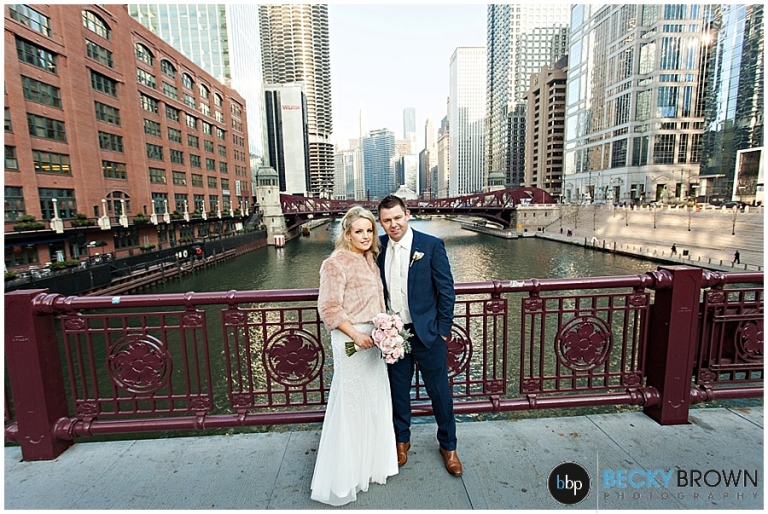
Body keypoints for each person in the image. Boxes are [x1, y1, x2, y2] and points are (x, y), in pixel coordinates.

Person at [311, 206, 398, 506]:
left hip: (374, 340)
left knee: (373, 398)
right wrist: (356, 335)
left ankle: (370, 466)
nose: (365, 236)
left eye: (369, 230)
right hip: (351, 340)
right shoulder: (334, 263)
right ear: (347, 233)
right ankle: (347, 473)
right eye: (358, 231)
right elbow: (329, 308)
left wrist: (386, 330)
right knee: (351, 402)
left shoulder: (370, 259)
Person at [377, 195, 462, 477]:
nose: (393, 224)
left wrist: (443, 330)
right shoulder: (378, 247)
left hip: (428, 334)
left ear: (407, 215)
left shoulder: (431, 245)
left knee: (440, 393)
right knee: (398, 392)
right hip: (393, 335)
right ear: (381, 222)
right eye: (386, 220)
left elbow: (447, 291)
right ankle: (401, 441)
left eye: (397, 218)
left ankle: (448, 446)